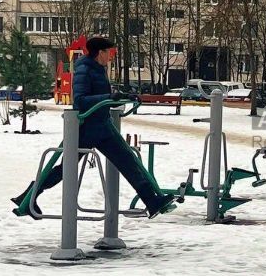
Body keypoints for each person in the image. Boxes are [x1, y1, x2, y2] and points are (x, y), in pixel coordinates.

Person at [12, 36, 176, 219]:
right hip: (90, 128)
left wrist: (124, 97)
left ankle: (27, 196)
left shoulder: (97, 69)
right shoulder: (85, 70)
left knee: (123, 161)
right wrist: (108, 98)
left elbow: (101, 97)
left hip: (100, 125)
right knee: (115, 163)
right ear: (100, 52)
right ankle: (27, 197)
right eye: (109, 53)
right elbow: (80, 101)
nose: (111, 57)